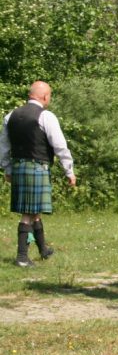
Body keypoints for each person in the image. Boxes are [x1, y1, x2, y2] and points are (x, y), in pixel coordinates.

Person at [0, 81, 76, 266]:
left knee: (35, 212)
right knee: (28, 213)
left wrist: (7, 168)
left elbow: (3, 147)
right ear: (44, 97)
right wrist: (69, 171)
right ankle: (22, 257)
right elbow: (59, 146)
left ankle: (43, 250)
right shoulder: (46, 116)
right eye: (49, 95)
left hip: (18, 167)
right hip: (37, 168)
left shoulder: (11, 116)